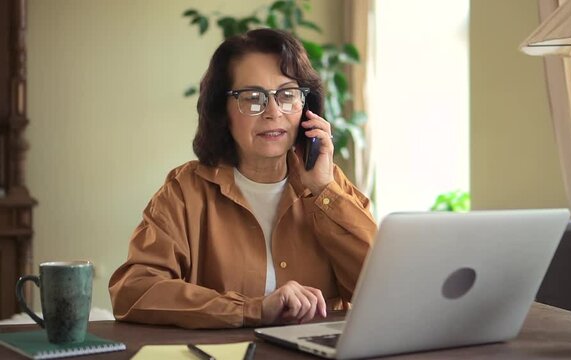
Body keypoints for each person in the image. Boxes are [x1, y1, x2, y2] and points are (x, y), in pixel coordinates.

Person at [108, 28, 377, 329]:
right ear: (223, 110)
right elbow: (134, 290)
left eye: (288, 95)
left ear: (307, 108)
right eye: (252, 98)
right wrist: (252, 309)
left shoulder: (330, 185)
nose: (273, 112)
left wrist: (323, 191)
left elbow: (384, 289)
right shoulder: (185, 191)